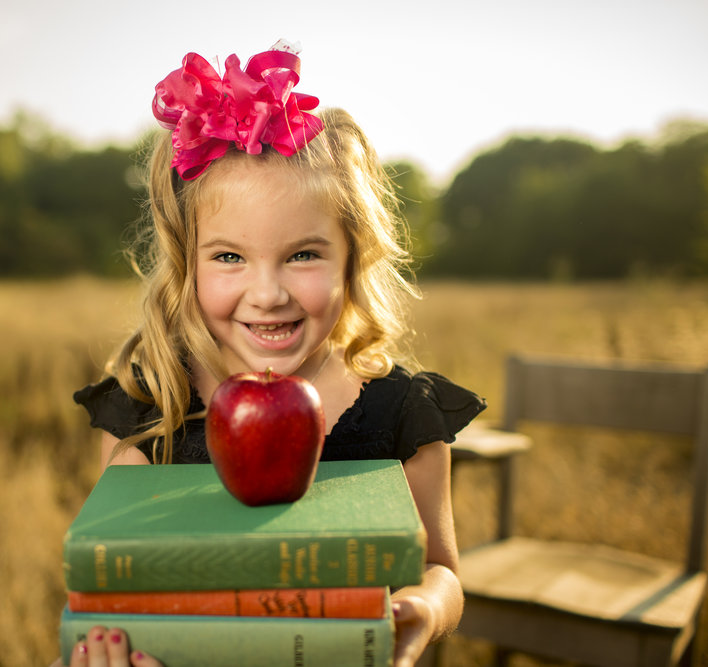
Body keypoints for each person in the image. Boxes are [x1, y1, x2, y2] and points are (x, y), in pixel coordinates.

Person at [60, 41, 486, 667]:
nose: (268, 294)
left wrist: (425, 607)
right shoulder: (153, 402)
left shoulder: (403, 409)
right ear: (188, 264)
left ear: (352, 259)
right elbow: (121, 572)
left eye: (303, 255)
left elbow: (442, 571)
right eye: (229, 257)